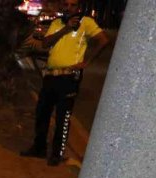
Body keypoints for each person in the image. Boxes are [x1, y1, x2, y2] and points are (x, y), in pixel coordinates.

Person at [20, 0, 109, 166]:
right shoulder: (56, 23)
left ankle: (57, 154)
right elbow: (46, 44)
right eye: (66, 5)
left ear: (79, 7)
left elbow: (103, 40)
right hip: (50, 75)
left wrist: (87, 62)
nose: (69, 8)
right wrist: (66, 28)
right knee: (42, 113)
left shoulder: (86, 23)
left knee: (63, 117)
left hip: (69, 77)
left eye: (73, 5)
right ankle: (39, 148)